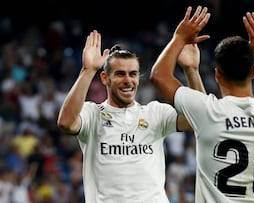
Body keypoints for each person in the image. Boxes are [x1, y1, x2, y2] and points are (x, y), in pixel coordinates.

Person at [150, 6, 254, 203]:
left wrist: (179, 38)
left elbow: (159, 75)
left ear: (217, 74)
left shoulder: (209, 112)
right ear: (253, 72)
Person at [57, 29, 205, 202]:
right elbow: (66, 123)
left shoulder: (155, 112)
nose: (128, 80)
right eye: (120, 74)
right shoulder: (92, 114)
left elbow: (200, 117)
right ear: (105, 78)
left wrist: (191, 70)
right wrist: (88, 71)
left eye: (133, 74)